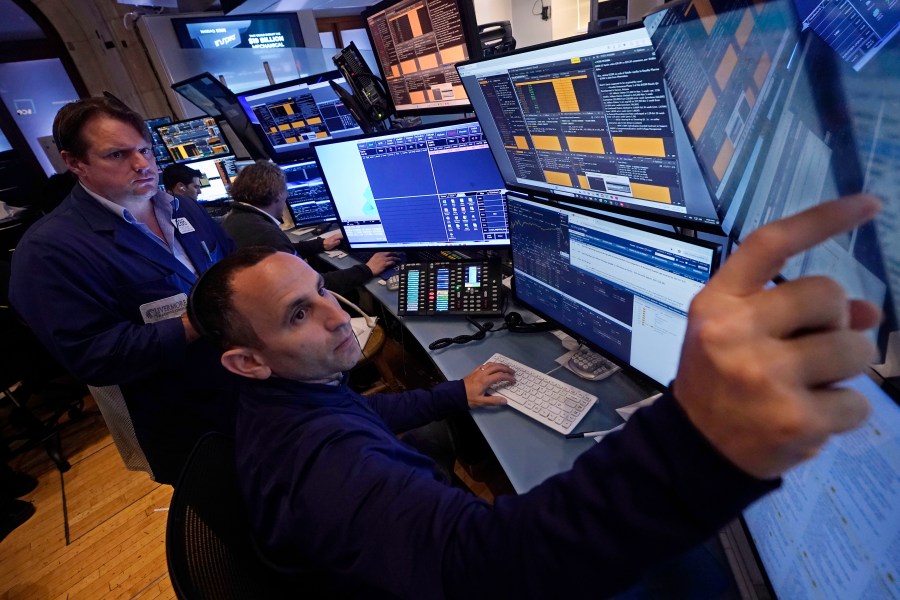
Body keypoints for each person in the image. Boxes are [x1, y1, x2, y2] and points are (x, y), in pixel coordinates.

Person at [187, 194, 881, 598]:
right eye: (299, 315)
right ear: (246, 360)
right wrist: (700, 436)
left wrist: (455, 392)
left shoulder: (280, 405)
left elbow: (360, 411)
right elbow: (493, 568)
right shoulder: (327, 470)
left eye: (318, 291)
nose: (339, 315)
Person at [9, 97, 236, 485]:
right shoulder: (49, 251)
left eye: (145, 149)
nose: (143, 164)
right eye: (117, 154)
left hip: (249, 390)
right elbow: (95, 355)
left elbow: (232, 267)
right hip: (184, 426)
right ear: (75, 162)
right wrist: (200, 320)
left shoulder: (182, 208)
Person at [221, 160, 397, 296]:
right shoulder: (264, 233)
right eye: (286, 192)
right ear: (277, 195)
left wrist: (319, 244)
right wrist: (368, 269)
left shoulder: (238, 219)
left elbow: (281, 252)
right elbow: (313, 286)